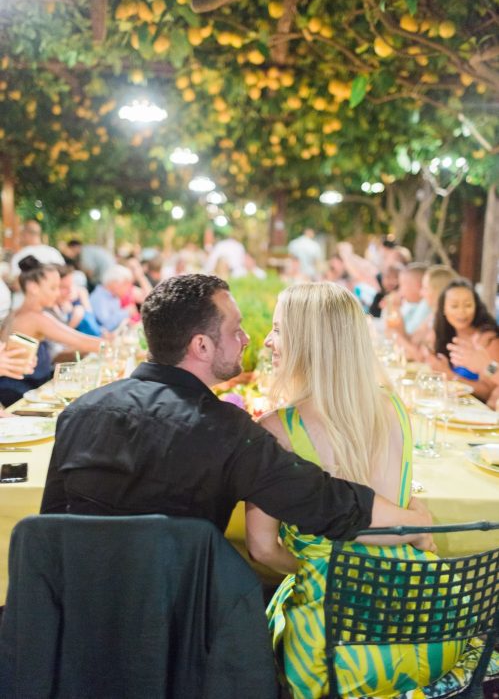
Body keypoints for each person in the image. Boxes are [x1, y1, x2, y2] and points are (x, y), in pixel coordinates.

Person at [41, 274, 433, 545]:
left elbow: (48, 530)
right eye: (236, 330)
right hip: (182, 617)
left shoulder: (79, 413)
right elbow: (324, 502)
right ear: (201, 346)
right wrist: (416, 523)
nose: (249, 339)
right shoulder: (227, 431)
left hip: (76, 617)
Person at [245, 282, 462, 699]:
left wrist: (310, 567)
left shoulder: (276, 430)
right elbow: (400, 505)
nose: (269, 340)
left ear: (310, 341)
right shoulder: (394, 407)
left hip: (337, 647)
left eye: (279, 329)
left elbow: (261, 549)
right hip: (431, 624)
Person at [0, 257, 103, 406]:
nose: (57, 293)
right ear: (33, 287)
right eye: (53, 288)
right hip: (20, 394)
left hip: (18, 390)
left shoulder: (15, 313)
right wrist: (114, 345)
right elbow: (82, 342)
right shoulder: (35, 318)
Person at [428, 278, 499, 401]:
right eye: (454, 306)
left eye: (468, 305)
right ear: (443, 309)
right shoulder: (444, 333)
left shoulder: (487, 338)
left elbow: (490, 388)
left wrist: (485, 366)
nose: (461, 312)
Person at [394, 264, 457, 361]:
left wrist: (396, 336)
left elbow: (421, 356)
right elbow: (412, 340)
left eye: (425, 288)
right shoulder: (433, 315)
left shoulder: (446, 320)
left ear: (438, 291)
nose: (421, 293)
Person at [89, 264, 135, 332]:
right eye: (125, 284)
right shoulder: (99, 297)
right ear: (115, 283)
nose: (127, 289)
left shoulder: (114, 297)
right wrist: (126, 312)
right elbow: (106, 325)